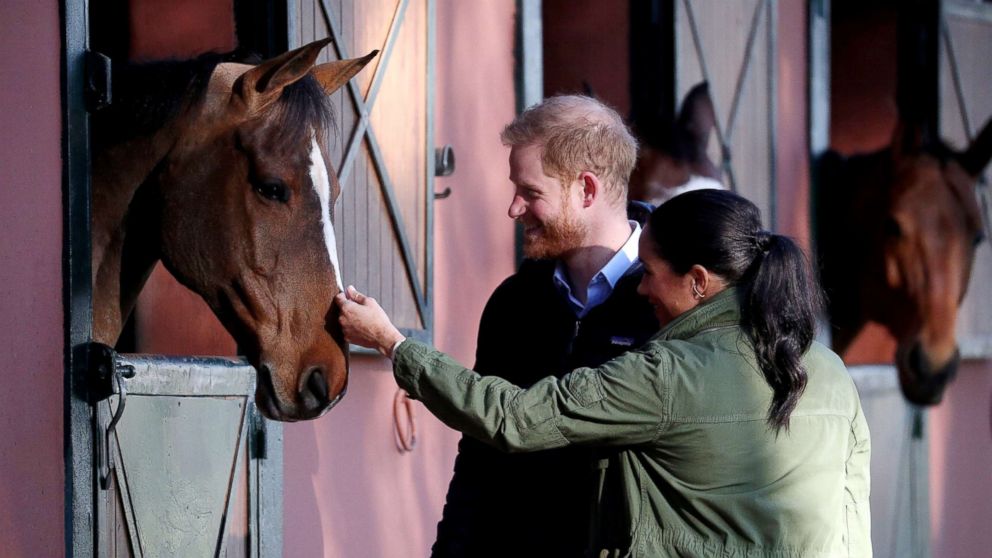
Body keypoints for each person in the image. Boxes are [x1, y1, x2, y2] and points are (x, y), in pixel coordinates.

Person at [337, 189, 872, 557]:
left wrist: (392, 342)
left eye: (652, 275)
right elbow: (852, 520)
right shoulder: (829, 370)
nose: (639, 289)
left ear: (700, 282)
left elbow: (514, 418)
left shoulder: (668, 374)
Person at [429, 95, 659, 556]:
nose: (514, 209)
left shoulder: (670, 304)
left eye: (531, 193)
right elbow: (479, 452)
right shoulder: (513, 304)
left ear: (587, 191)